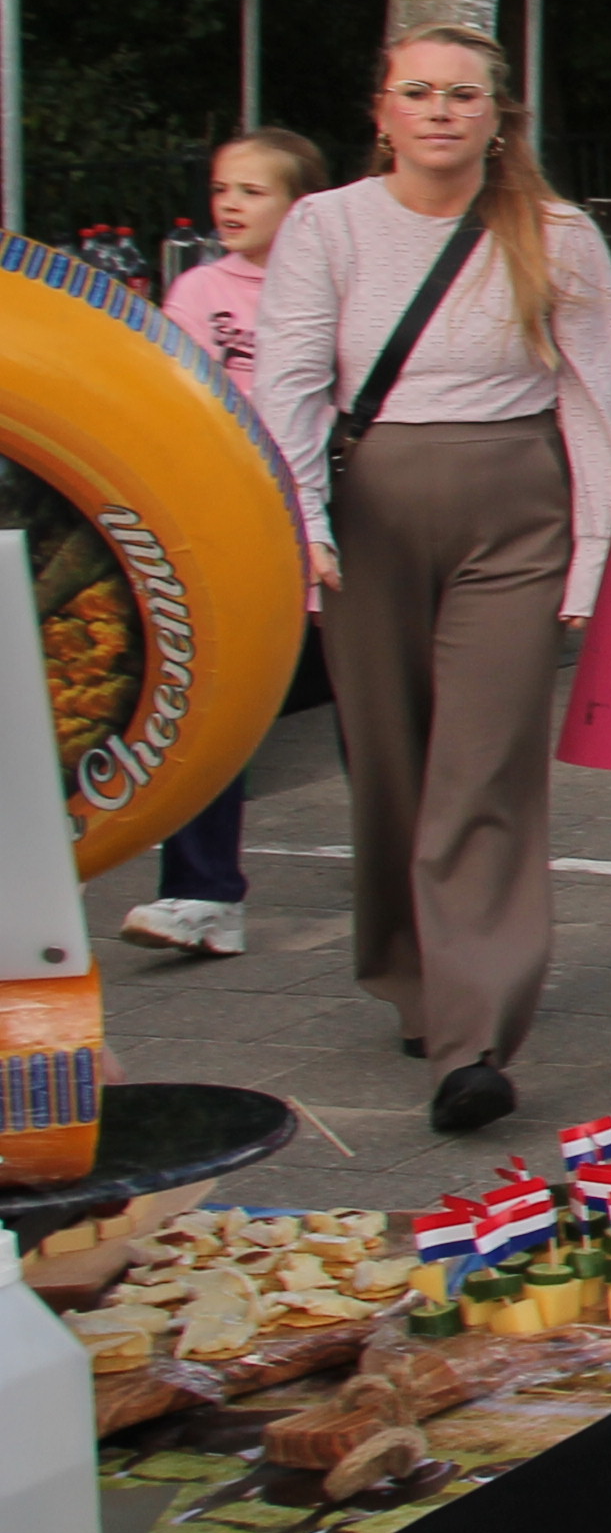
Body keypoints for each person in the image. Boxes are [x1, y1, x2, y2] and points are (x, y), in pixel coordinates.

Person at [255, 28, 611, 1129]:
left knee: (483, 769)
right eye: (418, 92)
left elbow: (598, 396)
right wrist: (300, 520)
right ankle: (411, 971)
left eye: (463, 94)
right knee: (390, 763)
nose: (439, 110)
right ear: (382, 113)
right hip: (368, 512)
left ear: (498, 116)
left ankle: (474, 1038)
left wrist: (598, 551)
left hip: (514, 512)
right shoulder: (327, 226)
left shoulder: (556, 234)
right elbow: (290, 380)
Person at [121, 129, 329, 958]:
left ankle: (419, 886)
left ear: (302, 207)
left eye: (253, 190)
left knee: (378, 722)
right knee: (216, 713)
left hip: (330, 531)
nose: (230, 205)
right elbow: (183, 402)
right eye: (221, 189)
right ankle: (201, 896)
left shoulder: (337, 284)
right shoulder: (199, 289)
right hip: (239, 532)